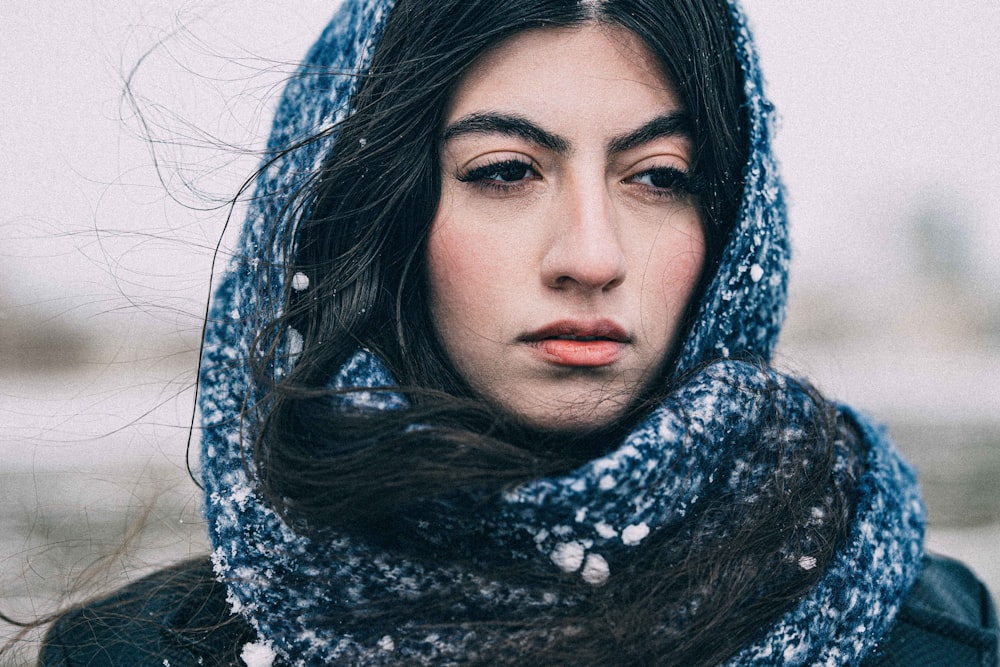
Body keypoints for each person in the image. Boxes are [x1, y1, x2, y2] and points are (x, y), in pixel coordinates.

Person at [37, 0, 998, 664]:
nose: (590, 253)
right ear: (375, 211)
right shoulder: (137, 653)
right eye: (505, 170)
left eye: (658, 176)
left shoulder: (929, 634)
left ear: (735, 226)